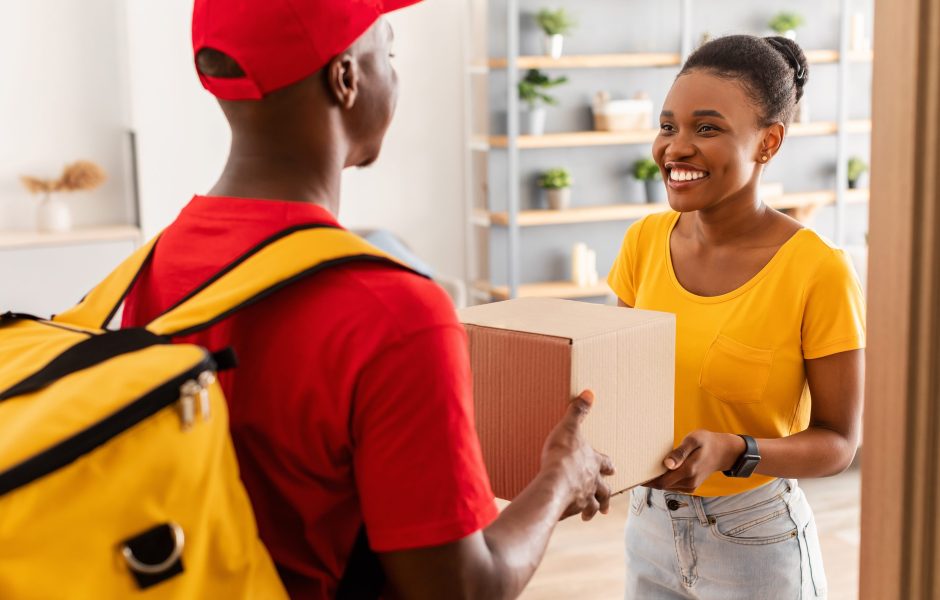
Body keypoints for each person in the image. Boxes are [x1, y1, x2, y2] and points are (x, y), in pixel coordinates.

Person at [121, 1, 614, 598]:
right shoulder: (394, 311)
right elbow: (461, 589)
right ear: (346, 78)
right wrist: (562, 475)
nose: (396, 76)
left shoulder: (157, 264)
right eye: (390, 52)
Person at [609, 35, 865, 599]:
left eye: (707, 128)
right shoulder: (643, 243)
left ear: (768, 142)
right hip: (647, 526)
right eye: (668, 125)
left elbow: (839, 443)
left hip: (756, 537)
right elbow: (618, 383)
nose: (675, 148)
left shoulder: (818, 270)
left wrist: (736, 450)